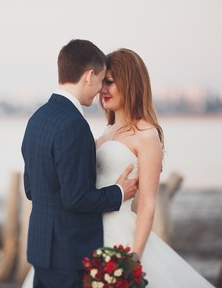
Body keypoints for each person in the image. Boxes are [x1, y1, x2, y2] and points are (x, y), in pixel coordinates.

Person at [20, 39, 138, 288]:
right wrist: (118, 193)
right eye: (101, 80)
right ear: (88, 76)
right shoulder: (73, 124)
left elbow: (31, 189)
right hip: (68, 253)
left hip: (41, 250)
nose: (100, 91)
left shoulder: (37, 118)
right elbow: (75, 198)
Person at [94, 48, 214, 287]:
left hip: (120, 235)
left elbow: (148, 204)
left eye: (109, 82)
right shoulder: (106, 132)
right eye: (101, 83)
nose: (103, 90)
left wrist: (134, 258)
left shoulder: (146, 135)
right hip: (89, 231)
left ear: (129, 84)